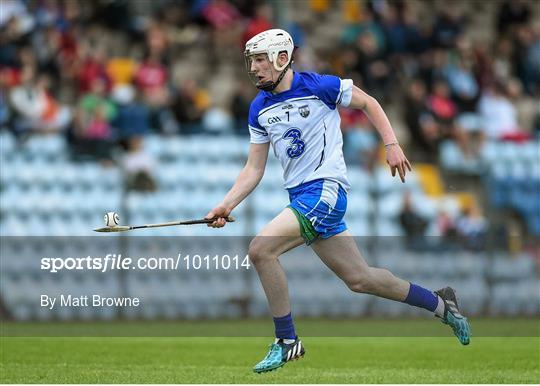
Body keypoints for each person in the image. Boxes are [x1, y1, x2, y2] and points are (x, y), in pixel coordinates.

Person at [205, 29, 471, 374]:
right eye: (250, 61)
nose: (253, 68)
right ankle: (442, 305)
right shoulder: (259, 108)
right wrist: (227, 205)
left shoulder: (320, 86)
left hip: (326, 190)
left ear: (281, 59)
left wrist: (391, 144)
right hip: (301, 195)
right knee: (361, 279)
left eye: (259, 60)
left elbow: (369, 102)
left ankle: (286, 342)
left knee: (261, 249)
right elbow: (253, 168)